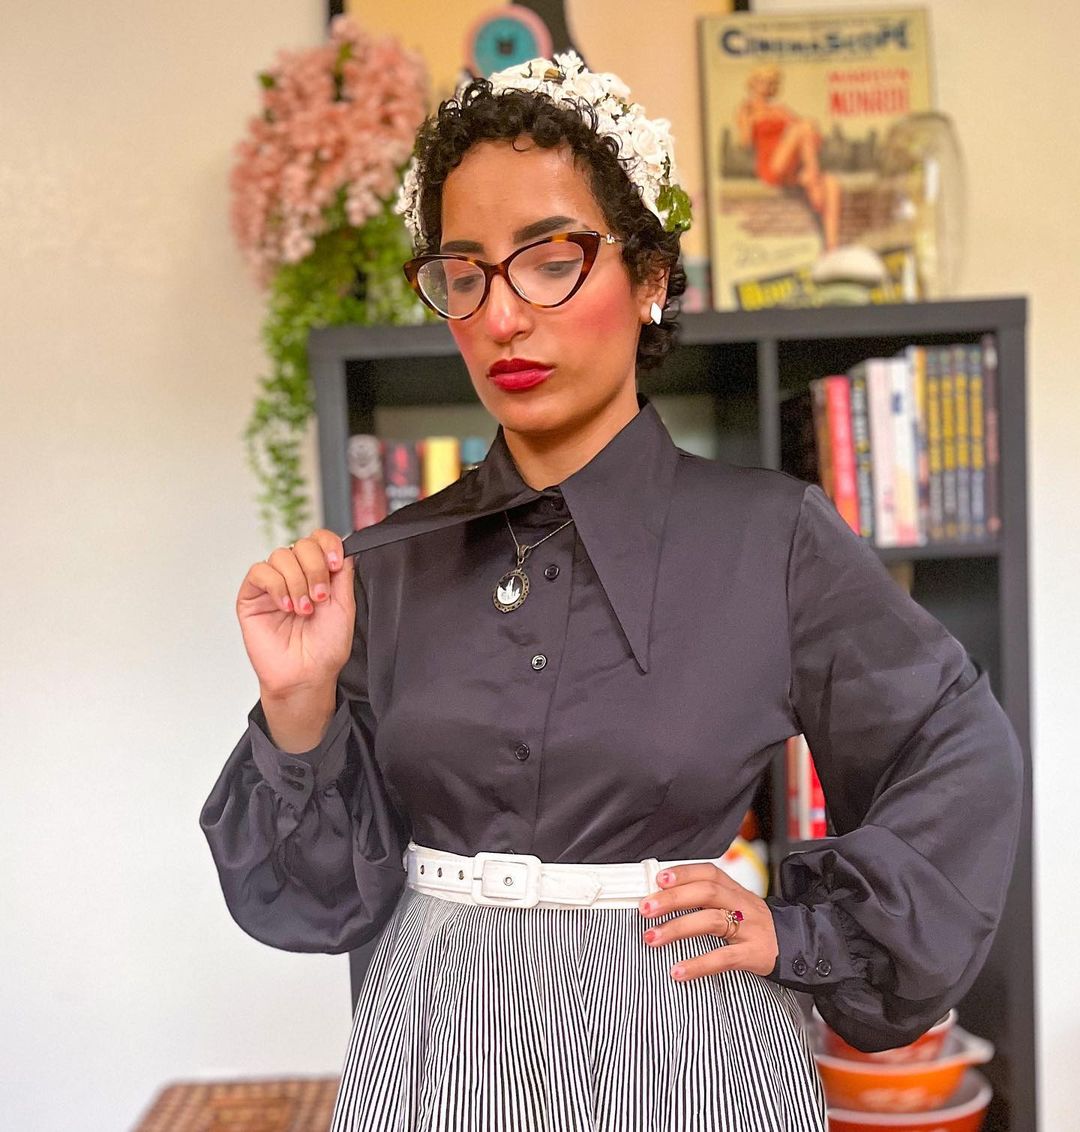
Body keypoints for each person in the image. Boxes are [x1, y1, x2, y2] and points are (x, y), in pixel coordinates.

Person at [200, 51, 1023, 1132]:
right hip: (433, 1046)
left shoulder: (772, 540)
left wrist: (804, 933)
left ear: (648, 278)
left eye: (550, 261)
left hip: (686, 1041)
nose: (503, 317)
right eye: (465, 274)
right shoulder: (387, 562)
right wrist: (298, 706)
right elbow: (317, 903)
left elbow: (955, 747)